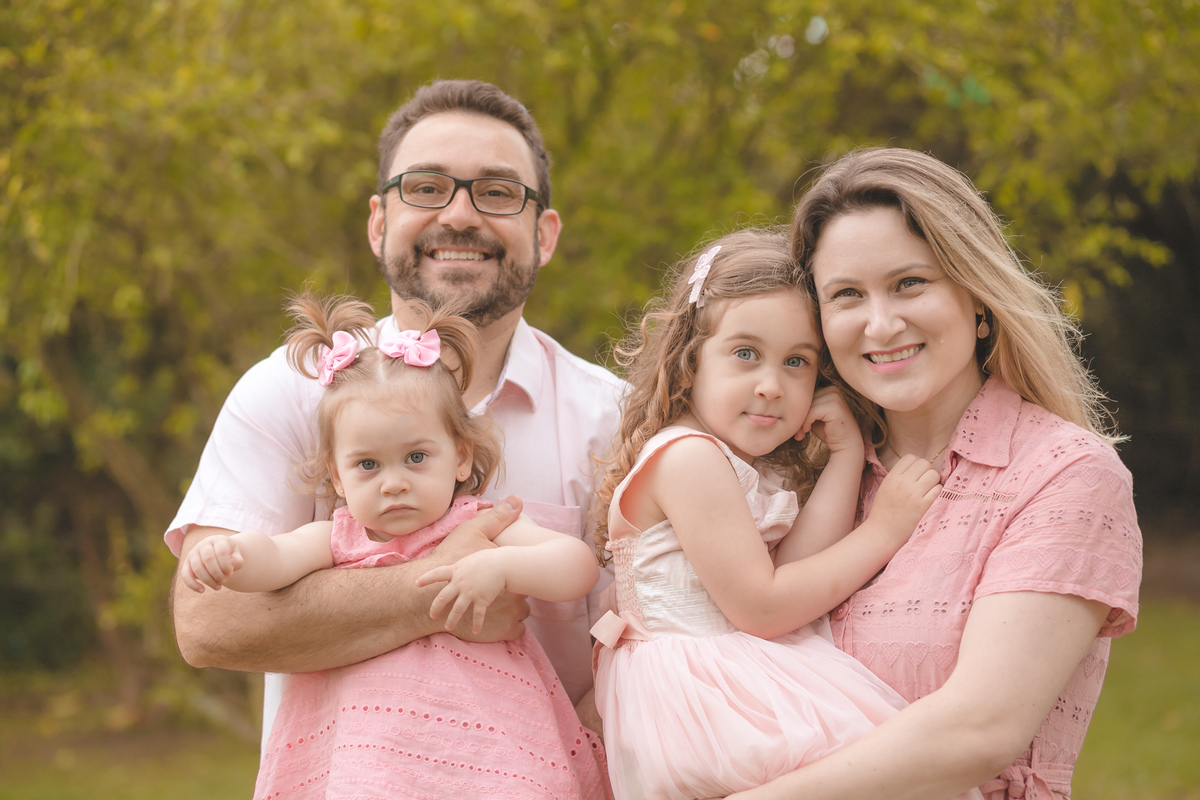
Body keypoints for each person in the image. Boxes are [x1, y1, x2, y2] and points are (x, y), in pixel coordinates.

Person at [167, 80, 624, 750]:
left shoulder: (613, 417)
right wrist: (435, 586)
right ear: (380, 223)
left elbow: (649, 642)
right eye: (428, 187)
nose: (461, 215)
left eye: (497, 192)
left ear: (544, 233)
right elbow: (210, 624)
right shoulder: (288, 392)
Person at [722, 147, 1142, 800]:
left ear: (977, 298)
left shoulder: (1065, 476)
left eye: (910, 283)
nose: (881, 323)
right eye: (847, 295)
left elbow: (978, 730)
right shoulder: (800, 476)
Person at [589, 228, 985, 800]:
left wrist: (846, 457)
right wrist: (882, 531)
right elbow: (766, 607)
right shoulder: (690, 459)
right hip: (705, 707)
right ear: (688, 362)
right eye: (745, 354)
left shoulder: (728, 463)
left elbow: (798, 569)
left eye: (797, 362)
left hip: (724, 689)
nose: (772, 386)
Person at [181, 293, 611, 798]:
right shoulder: (336, 538)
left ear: (460, 458)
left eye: (416, 457)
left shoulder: (477, 525)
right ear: (336, 478)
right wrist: (231, 558)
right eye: (368, 465)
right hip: (367, 761)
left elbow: (575, 565)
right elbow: (274, 563)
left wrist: (503, 569)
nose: (393, 483)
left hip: (487, 752)